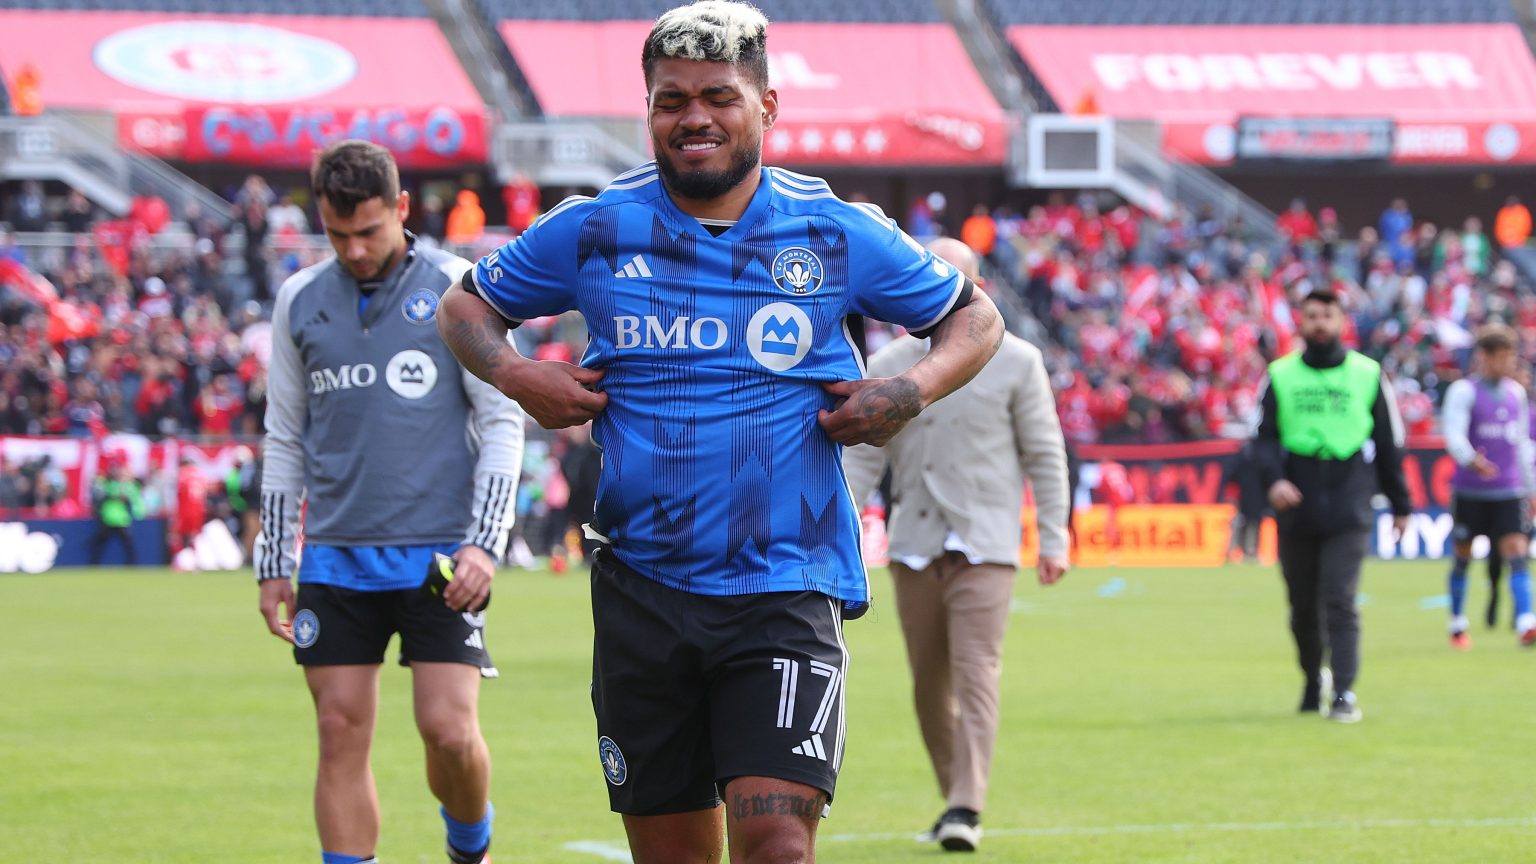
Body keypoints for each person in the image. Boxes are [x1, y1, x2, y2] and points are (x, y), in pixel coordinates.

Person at [435, 3, 1004, 861]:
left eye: (718, 96)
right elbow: (465, 304)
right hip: (642, 591)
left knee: (778, 842)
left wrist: (908, 391)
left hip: (783, 584)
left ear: (767, 106)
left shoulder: (833, 232)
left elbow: (976, 321)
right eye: (671, 100)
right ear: (649, 110)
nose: (693, 116)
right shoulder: (596, 229)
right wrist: (515, 374)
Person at [254, 140, 525, 864]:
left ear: (402, 209)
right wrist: (273, 559)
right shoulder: (298, 300)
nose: (353, 249)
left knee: (448, 731)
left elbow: (501, 421)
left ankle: (470, 845)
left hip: (441, 556)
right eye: (337, 235)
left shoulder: (458, 286)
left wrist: (484, 544)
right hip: (335, 557)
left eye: (368, 232)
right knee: (339, 732)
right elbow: (283, 437)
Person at [842, 236, 1068, 853]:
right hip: (914, 539)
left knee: (976, 673)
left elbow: (1045, 453)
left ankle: (967, 804)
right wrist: (840, 525)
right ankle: (954, 799)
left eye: (951, 278)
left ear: (974, 288)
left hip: (987, 542)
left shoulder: (1018, 360)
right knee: (926, 683)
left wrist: (1055, 536)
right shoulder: (890, 357)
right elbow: (863, 455)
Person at [1253, 289, 1412, 724]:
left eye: (1328, 315)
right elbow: (1263, 440)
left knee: (1339, 599)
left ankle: (1344, 692)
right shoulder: (1280, 375)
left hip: (1349, 499)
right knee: (1302, 605)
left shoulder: (1368, 374)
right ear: (1300, 323)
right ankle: (1311, 678)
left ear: (1342, 321)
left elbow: (1387, 443)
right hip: (1297, 500)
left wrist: (1401, 504)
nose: (1320, 323)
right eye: (1312, 315)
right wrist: (1275, 481)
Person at [1439, 325, 1536, 649]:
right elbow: (1453, 434)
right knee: (1463, 557)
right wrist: (1470, 459)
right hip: (1471, 490)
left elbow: (1520, 443)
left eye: (1510, 356)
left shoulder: (1516, 393)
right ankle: (1457, 624)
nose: (1507, 364)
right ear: (1484, 357)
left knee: (1517, 552)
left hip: (1508, 489)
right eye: (1501, 357)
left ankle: (1526, 623)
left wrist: (1531, 488)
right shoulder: (1463, 392)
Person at [89, 457, 143, 565]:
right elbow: (103, 496)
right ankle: (94, 563)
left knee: (127, 544)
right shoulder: (107, 484)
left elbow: (129, 496)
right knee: (101, 544)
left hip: (121, 519)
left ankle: (132, 563)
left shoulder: (126, 485)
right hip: (108, 519)